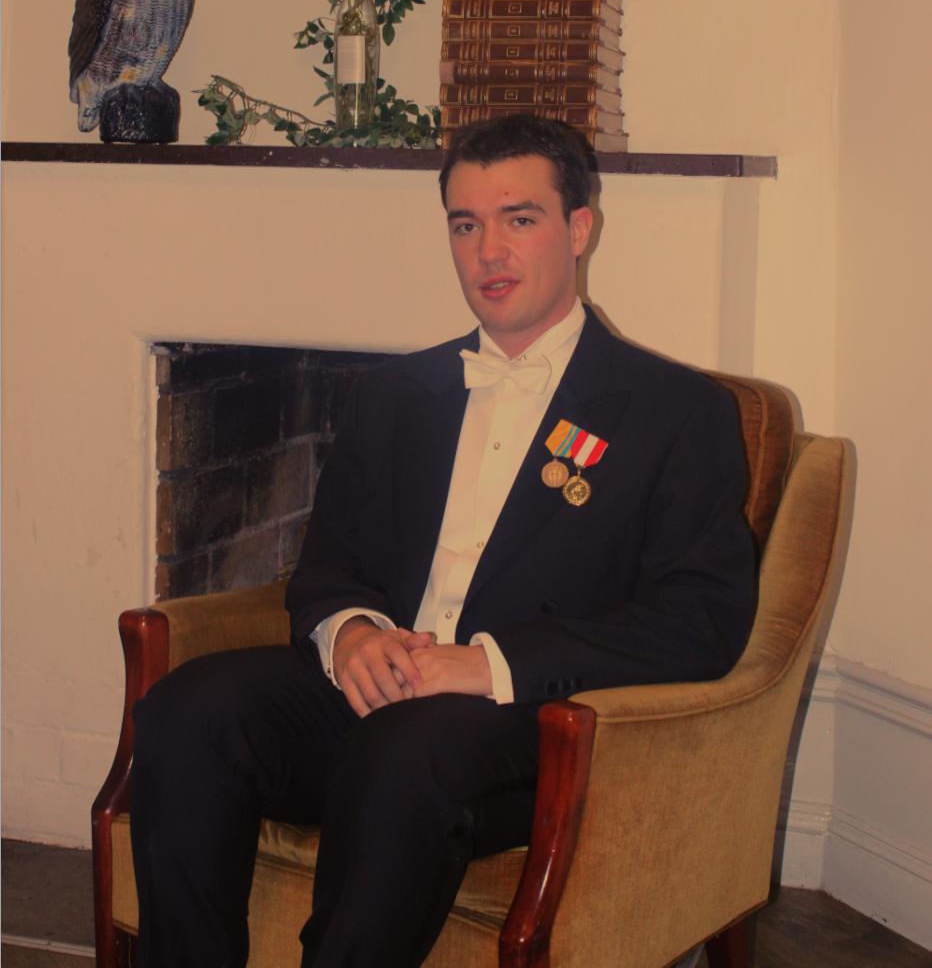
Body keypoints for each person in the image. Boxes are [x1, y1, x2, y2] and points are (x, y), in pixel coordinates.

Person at [130, 115, 755, 968]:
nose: (488, 251)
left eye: (519, 219)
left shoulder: (678, 412)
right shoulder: (394, 392)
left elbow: (701, 621)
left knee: (405, 755)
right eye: (466, 225)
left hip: (532, 725)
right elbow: (329, 565)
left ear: (579, 228)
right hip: (381, 689)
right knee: (187, 710)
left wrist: (489, 664)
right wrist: (351, 633)